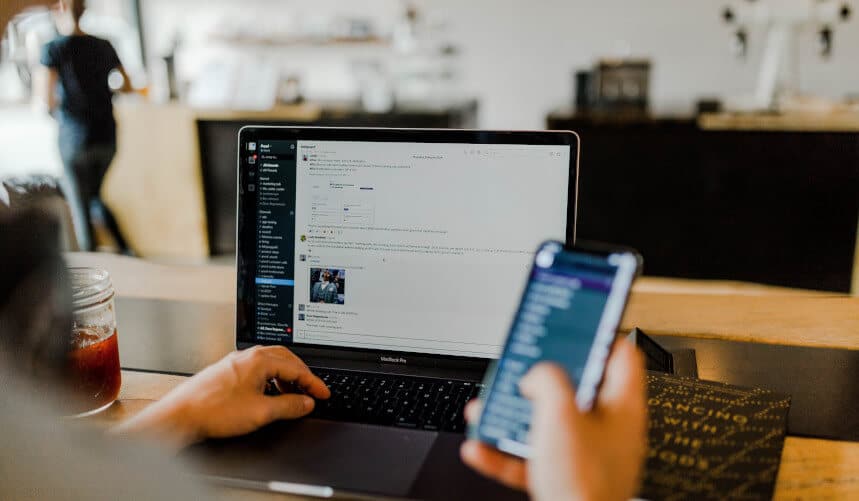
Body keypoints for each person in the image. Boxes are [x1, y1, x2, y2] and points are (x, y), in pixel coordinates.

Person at [38, 0, 132, 252]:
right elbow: (127, 85)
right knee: (95, 197)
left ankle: (94, 261)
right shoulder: (104, 45)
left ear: (61, 10)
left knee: (81, 206)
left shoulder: (53, 49)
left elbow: (45, 99)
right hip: (107, 135)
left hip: (74, 138)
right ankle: (126, 250)